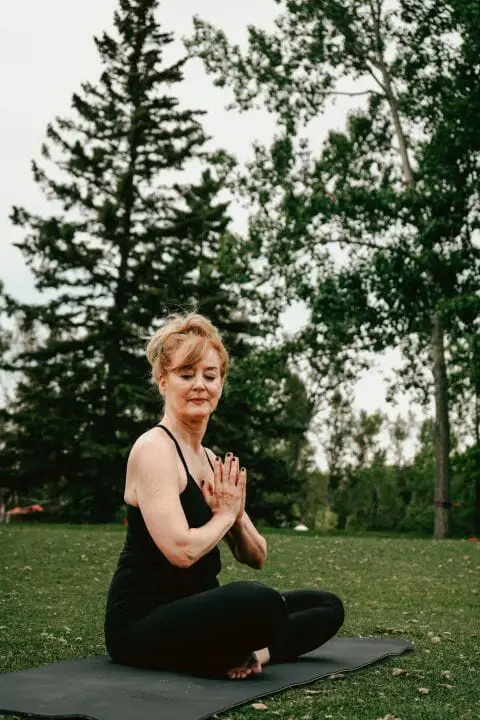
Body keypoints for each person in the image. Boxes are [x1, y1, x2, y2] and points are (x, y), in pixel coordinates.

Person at [104, 313, 344, 679]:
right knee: (261, 603)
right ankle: (221, 651)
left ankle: (249, 654)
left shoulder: (211, 460)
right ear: (162, 381)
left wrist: (233, 516)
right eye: (187, 375)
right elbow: (181, 551)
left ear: (221, 383)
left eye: (210, 376)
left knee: (326, 606)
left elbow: (257, 556)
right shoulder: (153, 449)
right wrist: (223, 516)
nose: (200, 385)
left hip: (200, 612)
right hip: (141, 624)